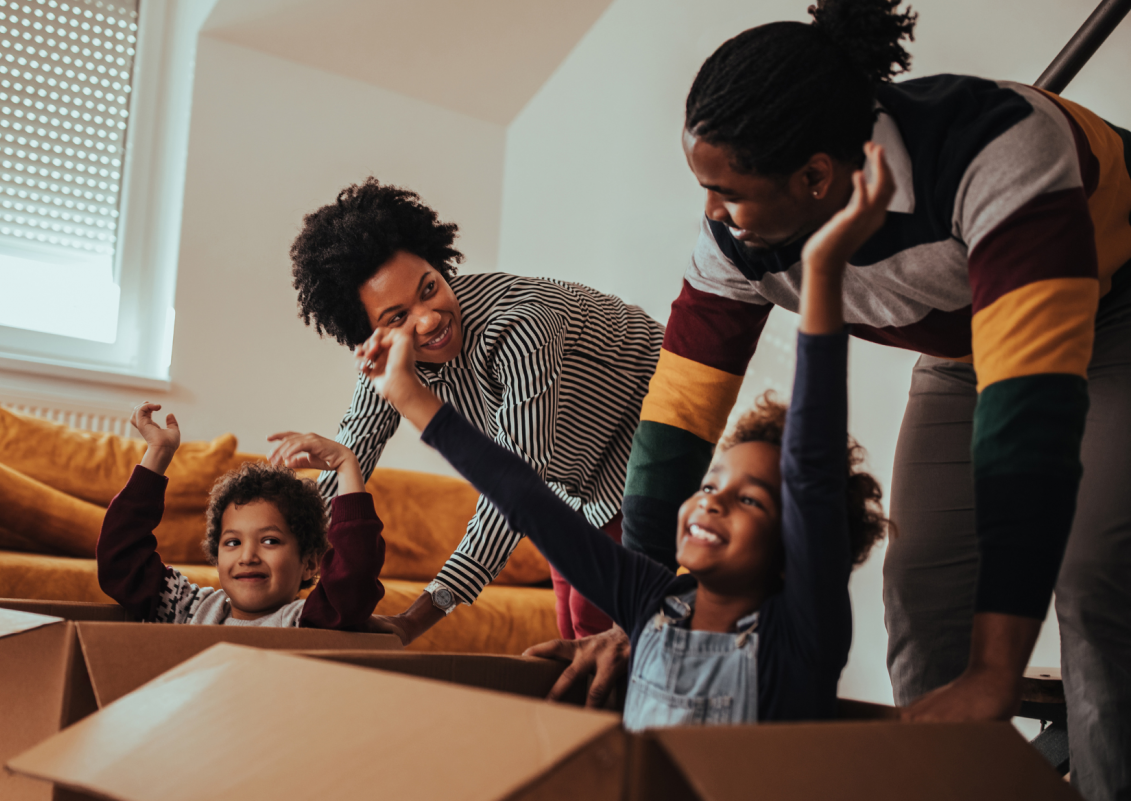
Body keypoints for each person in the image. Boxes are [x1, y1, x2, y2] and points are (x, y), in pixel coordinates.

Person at [557, 0, 1130, 795]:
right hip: (968, 336)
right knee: (919, 581)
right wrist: (644, 623)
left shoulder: (999, 149)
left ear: (818, 179)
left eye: (729, 191)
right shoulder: (734, 244)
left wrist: (998, 670)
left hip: (1114, 306)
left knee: (1093, 572)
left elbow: (1027, 428)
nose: (712, 213)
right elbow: (675, 423)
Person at [353, 144, 891, 725]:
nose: (708, 499)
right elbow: (521, 493)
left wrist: (824, 271)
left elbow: (811, 468)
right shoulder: (650, 601)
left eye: (750, 500)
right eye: (711, 485)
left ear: (797, 545)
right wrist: (407, 396)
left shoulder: (804, 632)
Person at [290, 178, 663, 642]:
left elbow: (511, 494)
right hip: (568, 476)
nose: (428, 319)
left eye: (430, 288)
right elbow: (354, 447)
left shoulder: (522, 325)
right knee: (572, 629)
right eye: (397, 317)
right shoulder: (387, 360)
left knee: (598, 625)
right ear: (371, 333)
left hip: (648, 432)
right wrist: (284, 546)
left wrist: (415, 618)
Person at [96, 402, 385, 628]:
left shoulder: (307, 621)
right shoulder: (188, 608)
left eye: (270, 541)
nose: (248, 556)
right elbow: (120, 561)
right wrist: (158, 453)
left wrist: (347, 465)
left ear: (310, 563)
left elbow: (353, 580)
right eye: (232, 543)